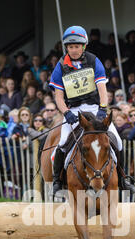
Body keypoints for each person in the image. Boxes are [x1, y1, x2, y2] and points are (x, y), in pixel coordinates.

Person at [49, 25, 128, 195]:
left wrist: (102, 108)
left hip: (94, 108)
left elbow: (102, 89)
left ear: (83, 46)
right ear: (66, 48)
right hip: (73, 110)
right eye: (71, 47)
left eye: (77, 46)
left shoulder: (93, 61)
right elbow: (58, 97)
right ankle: (57, 181)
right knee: (62, 143)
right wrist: (66, 113)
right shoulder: (61, 66)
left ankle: (123, 179)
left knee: (118, 142)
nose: (74, 50)